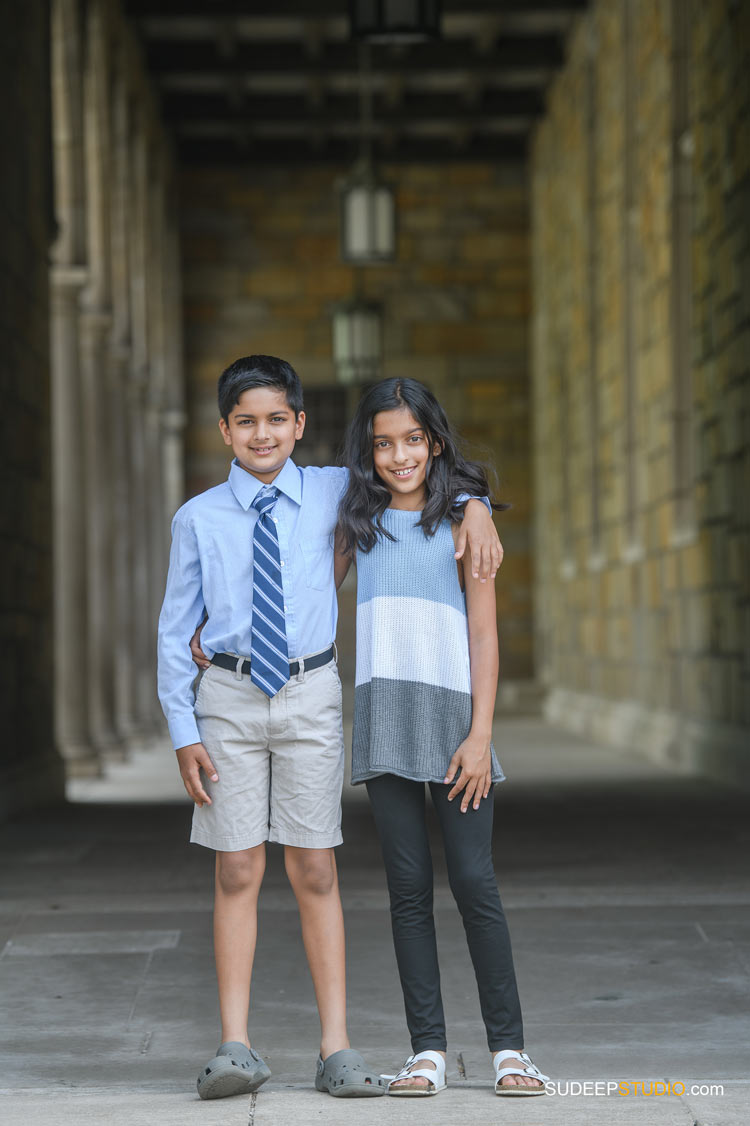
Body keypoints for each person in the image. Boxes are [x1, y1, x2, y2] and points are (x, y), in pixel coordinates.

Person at [157, 355, 502, 1100]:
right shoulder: (197, 518)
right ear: (224, 430)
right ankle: (235, 1046)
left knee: (315, 867)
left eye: (277, 419)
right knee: (238, 867)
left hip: (311, 694)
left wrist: (474, 501)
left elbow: (413, 470)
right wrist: (183, 725)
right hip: (228, 698)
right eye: (245, 421)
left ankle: (336, 1047)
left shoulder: (331, 490)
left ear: (301, 426)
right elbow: (171, 630)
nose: (262, 433)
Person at [334, 377, 550, 1098]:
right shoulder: (352, 523)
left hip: (459, 728)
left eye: (414, 440)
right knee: (407, 891)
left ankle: (510, 1050)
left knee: (475, 884)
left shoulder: (461, 518)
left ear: (435, 441)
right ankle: (426, 1050)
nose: (400, 456)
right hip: (385, 724)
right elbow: (303, 590)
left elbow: (483, 635)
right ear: (367, 451)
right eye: (384, 443)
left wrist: (482, 734)